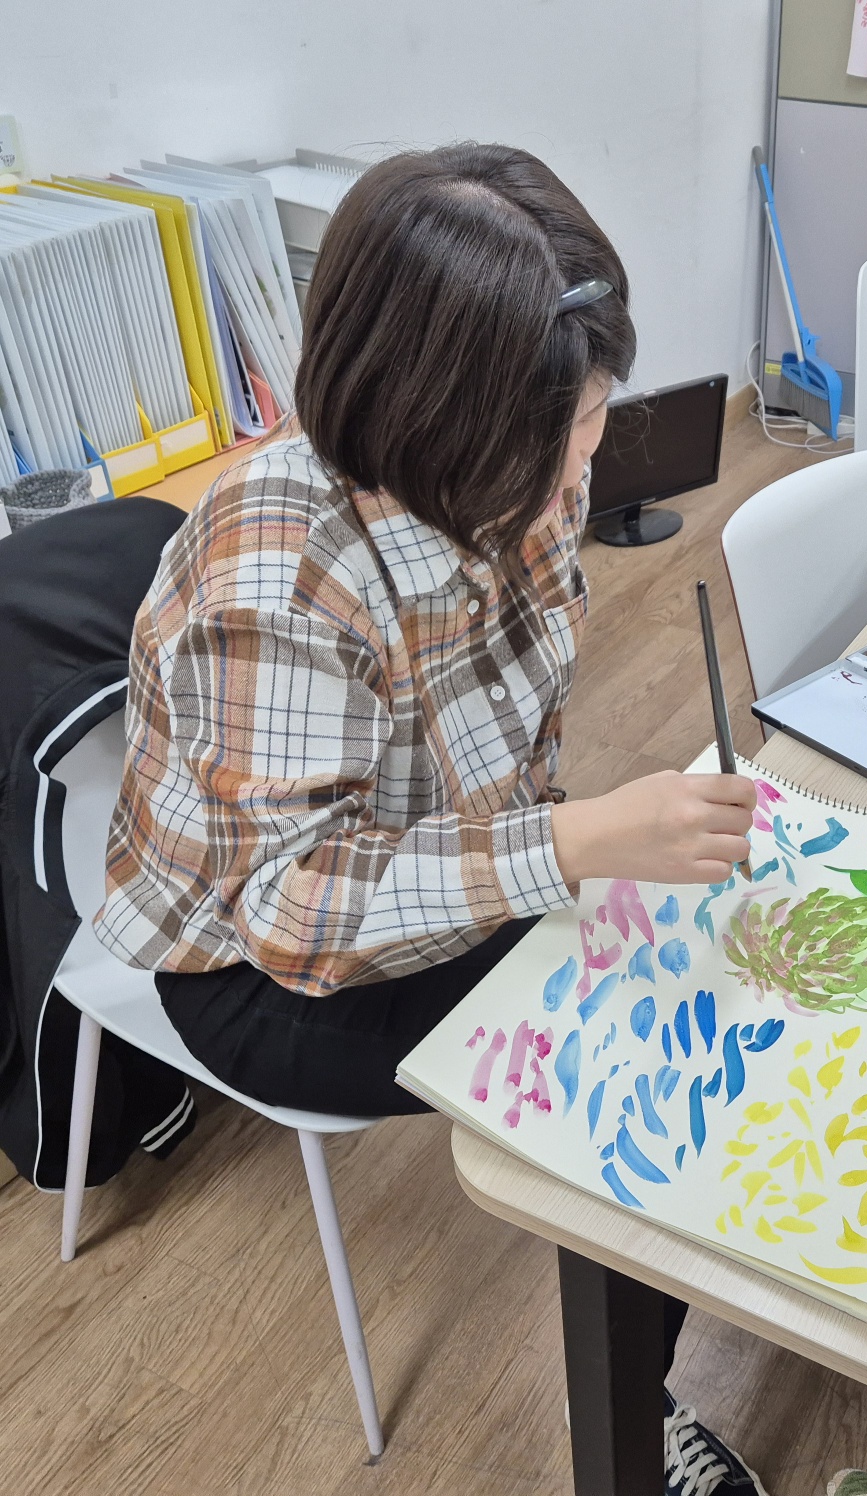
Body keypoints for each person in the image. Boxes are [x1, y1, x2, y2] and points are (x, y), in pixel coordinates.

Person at [95, 143, 767, 1496]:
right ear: (437, 423)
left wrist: (563, 844)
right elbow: (290, 913)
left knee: (687, 962)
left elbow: (516, 734)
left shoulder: (520, 475)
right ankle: (631, 1428)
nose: (583, 472)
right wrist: (571, 850)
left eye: (594, 418)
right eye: (561, 438)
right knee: (632, 1047)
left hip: (442, 855)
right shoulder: (278, 577)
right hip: (253, 970)